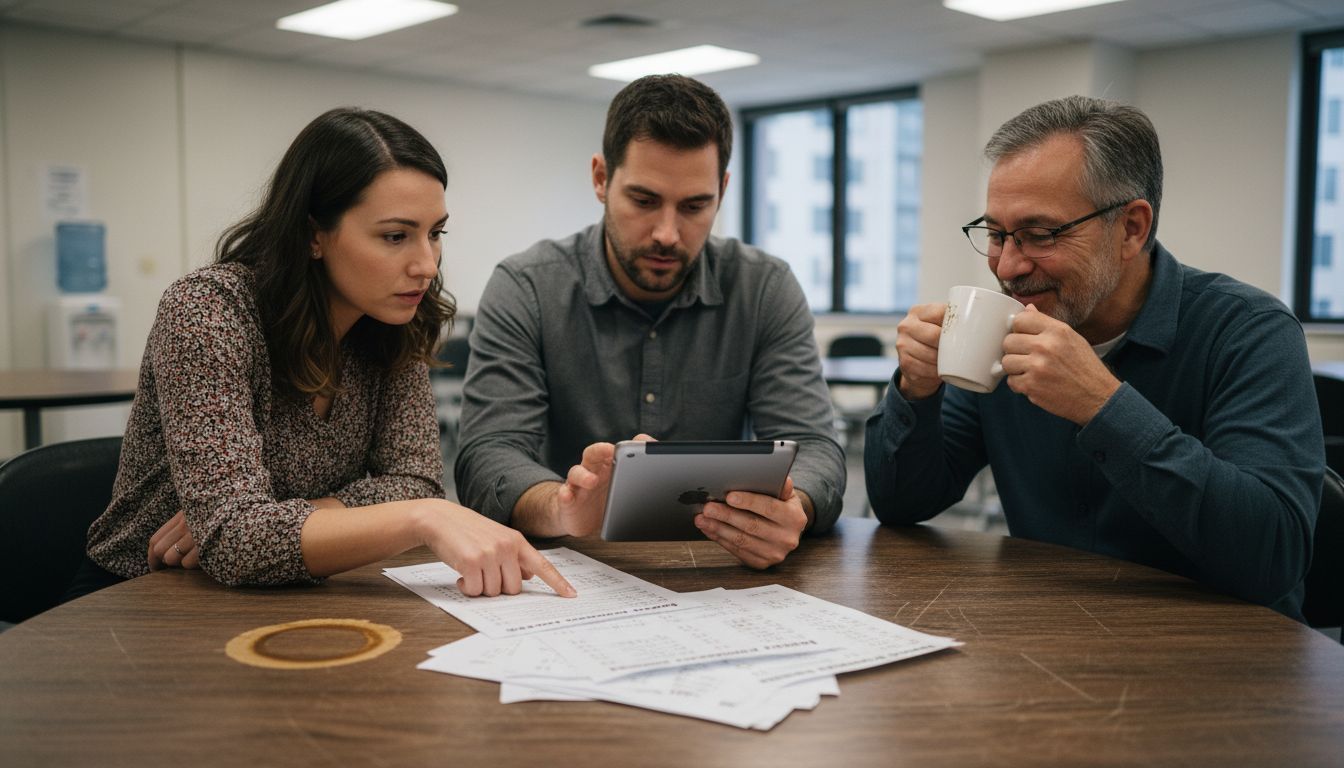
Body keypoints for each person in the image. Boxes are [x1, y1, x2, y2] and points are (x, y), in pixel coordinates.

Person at [72, 107, 575, 601]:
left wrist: (272, 519)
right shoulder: (208, 310)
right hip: (143, 595)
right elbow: (234, 544)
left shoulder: (392, 318)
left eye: (435, 233)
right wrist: (421, 516)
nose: (426, 264)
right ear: (314, 234)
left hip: (303, 587)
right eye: (395, 236)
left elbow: (415, 479)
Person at [865, 95, 1323, 619]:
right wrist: (915, 393)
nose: (1008, 266)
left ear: (1131, 228)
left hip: (1221, 651)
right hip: (1050, 638)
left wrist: (1104, 406)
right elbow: (903, 504)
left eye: (1039, 235)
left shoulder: (1247, 331)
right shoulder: (1004, 328)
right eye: (995, 234)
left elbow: (1272, 558)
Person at [454, 75, 845, 568]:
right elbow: (489, 452)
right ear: (600, 179)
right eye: (643, 201)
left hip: (720, 570)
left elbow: (815, 448)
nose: (667, 233)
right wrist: (562, 508)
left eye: (694, 206)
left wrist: (793, 510)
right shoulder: (527, 286)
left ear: (722, 191)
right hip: (569, 568)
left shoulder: (763, 287)